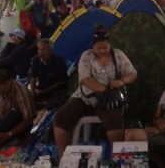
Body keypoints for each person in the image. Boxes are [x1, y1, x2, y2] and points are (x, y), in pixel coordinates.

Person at [54, 24, 137, 159]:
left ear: (110, 45)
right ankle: (64, 158)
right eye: (98, 48)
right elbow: (85, 79)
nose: (102, 51)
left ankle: (119, 160)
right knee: (60, 119)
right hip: (85, 97)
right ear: (93, 47)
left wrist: (121, 81)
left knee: (115, 124)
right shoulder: (86, 56)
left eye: (105, 47)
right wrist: (103, 89)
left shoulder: (118, 55)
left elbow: (133, 74)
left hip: (109, 100)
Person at [0, 68, 36, 146]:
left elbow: (28, 120)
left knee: (13, 115)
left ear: (8, 83)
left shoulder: (21, 92)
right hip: (4, 122)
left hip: (20, 126)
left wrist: (8, 135)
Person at [30, 38, 68, 109]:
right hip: (42, 88)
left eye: (43, 50)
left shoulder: (59, 61)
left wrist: (44, 92)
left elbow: (61, 82)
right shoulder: (35, 60)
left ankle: (44, 103)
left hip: (56, 90)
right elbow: (33, 79)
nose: (40, 52)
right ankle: (41, 103)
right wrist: (32, 95)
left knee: (61, 97)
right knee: (27, 96)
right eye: (39, 49)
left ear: (50, 51)